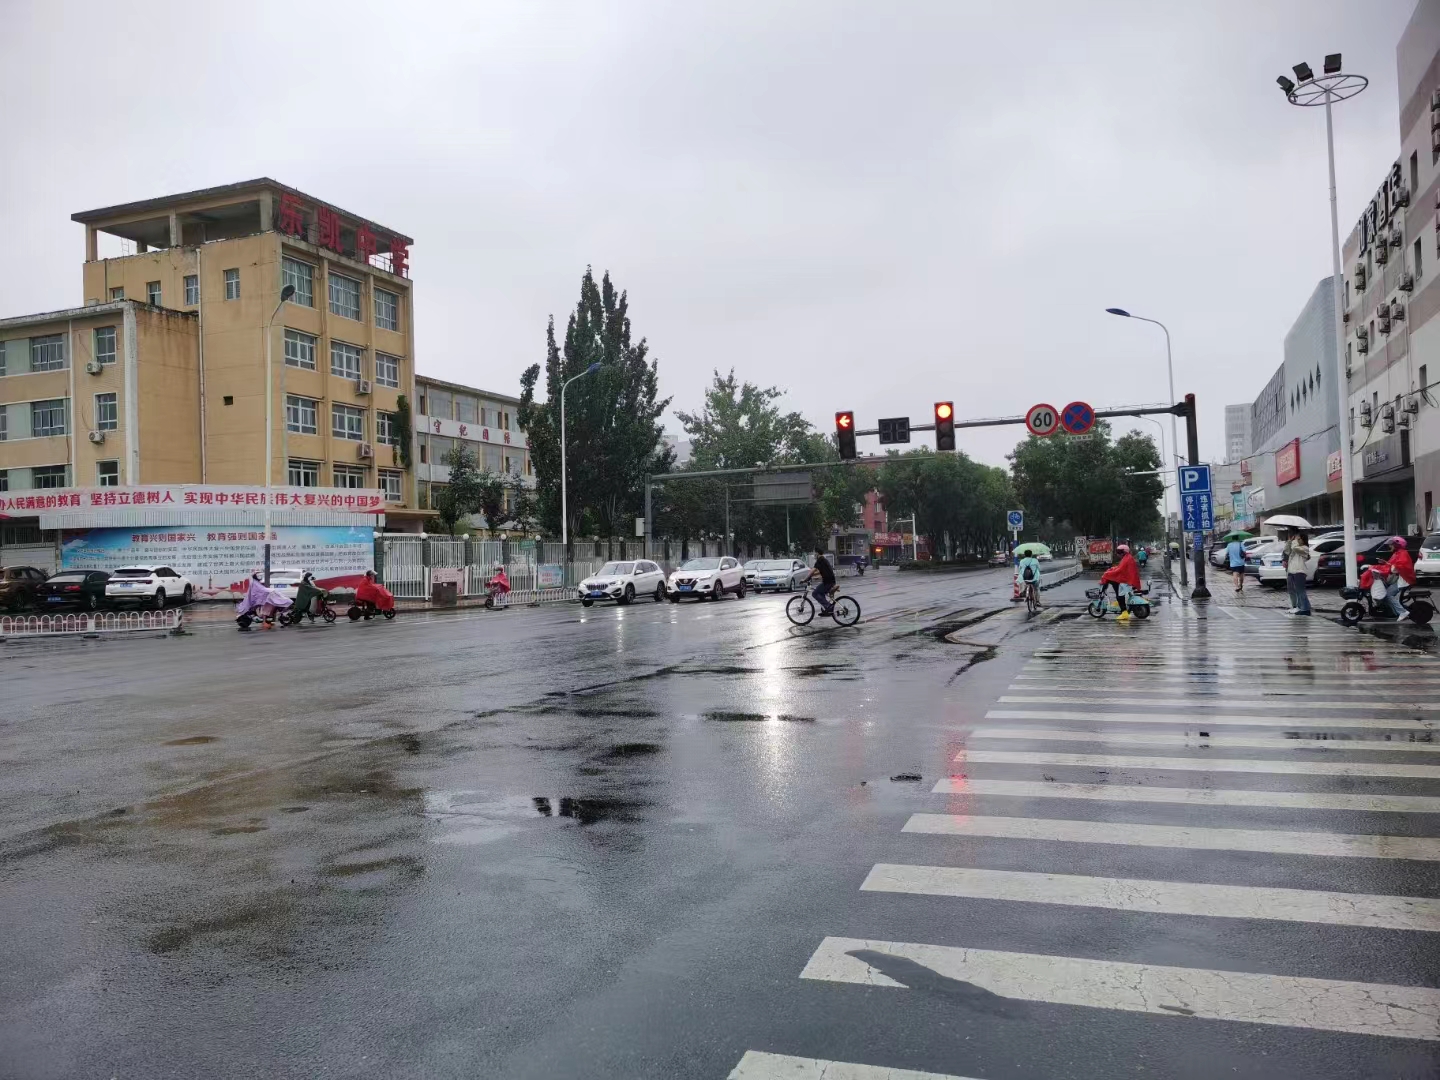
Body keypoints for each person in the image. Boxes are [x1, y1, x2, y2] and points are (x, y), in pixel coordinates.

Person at [1099, 543, 1142, 621]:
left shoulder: (1126, 559)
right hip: (1127, 579)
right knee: (1114, 583)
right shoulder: (1127, 557)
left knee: (1111, 581)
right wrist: (1113, 569)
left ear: (1124, 552)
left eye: (1119, 552)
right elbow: (1120, 568)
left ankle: (1124, 612)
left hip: (1126, 580)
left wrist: (1108, 573)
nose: (1118, 554)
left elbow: (1120, 570)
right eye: (1117, 552)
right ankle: (1118, 600)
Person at [1383, 537, 1416, 618]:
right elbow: (1392, 564)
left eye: (1391, 545)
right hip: (1399, 579)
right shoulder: (1398, 553)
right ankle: (1394, 612)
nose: (1390, 546)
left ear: (1396, 545)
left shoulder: (1402, 553)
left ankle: (1402, 612)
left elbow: (1398, 567)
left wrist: (1390, 566)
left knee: (1388, 595)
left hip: (1404, 579)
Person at [1283, 531, 1312, 616]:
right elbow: (1286, 551)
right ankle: (1300, 607)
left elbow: (1295, 548)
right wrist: (1289, 541)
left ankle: (1305, 609)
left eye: (1299, 539)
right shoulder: (1295, 547)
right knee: (1295, 591)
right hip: (1291, 571)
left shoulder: (1305, 548)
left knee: (1301, 591)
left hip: (1299, 571)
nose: (1297, 540)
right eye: (1297, 539)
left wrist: (1294, 541)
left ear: (1303, 540)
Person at [809, 546, 837, 614]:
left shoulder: (820, 560)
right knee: (821, 593)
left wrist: (805, 578)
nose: (814, 555)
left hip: (828, 582)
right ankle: (826, 610)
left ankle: (828, 606)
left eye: (814, 553)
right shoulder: (823, 559)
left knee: (815, 593)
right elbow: (821, 571)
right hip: (830, 581)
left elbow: (813, 570)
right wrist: (813, 575)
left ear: (817, 553)